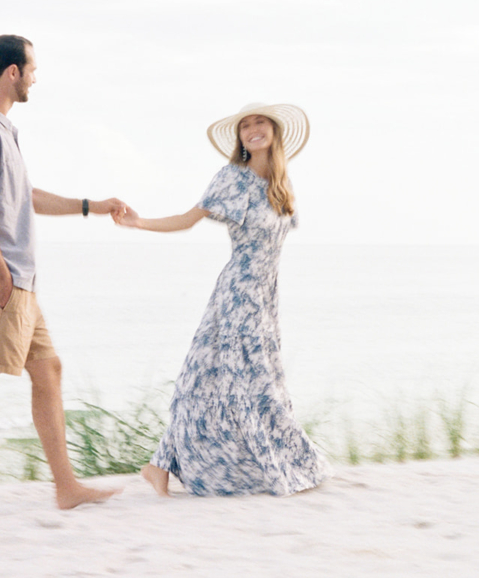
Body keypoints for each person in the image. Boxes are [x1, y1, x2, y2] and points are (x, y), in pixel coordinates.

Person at [0, 34, 126, 518]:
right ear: (12, 71)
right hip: (2, 283)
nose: (35, 77)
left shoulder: (2, 131)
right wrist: (0, 277)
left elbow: (25, 196)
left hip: (19, 284)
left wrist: (93, 207)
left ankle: (66, 487)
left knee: (47, 370)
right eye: (32, 68)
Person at [114, 103, 331, 496]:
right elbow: (188, 218)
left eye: (259, 122)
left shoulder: (281, 185)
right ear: (241, 139)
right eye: (245, 126)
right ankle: (164, 465)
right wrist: (139, 222)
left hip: (265, 298)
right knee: (230, 381)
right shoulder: (231, 178)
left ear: (274, 132)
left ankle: (160, 465)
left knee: (218, 379)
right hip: (237, 295)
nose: (252, 129)